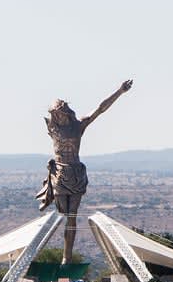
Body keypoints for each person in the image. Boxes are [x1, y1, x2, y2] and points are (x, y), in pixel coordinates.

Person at [36, 80, 133, 264]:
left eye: (61, 112)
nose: (59, 116)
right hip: (59, 173)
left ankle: (67, 256)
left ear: (65, 112)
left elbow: (99, 109)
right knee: (62, 211)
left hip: (76, 173)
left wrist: (119, 91)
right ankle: (64, 246)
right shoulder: (53, 127)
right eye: (56, 113)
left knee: (71, 216)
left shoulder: (78, 125)